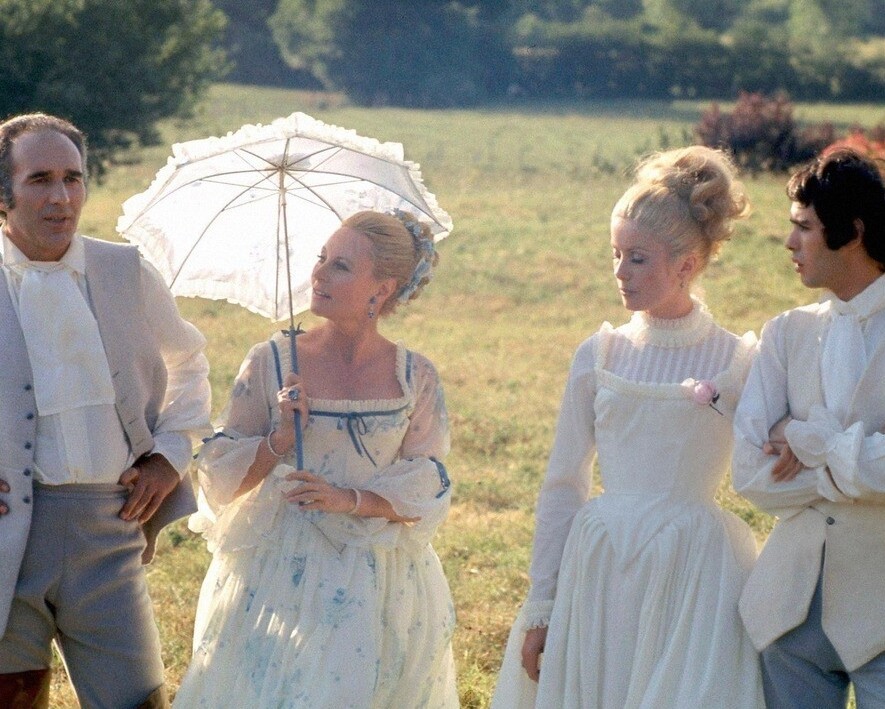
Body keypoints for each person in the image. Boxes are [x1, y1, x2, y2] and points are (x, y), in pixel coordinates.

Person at [492, 146, 764, 708]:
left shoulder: (738, 361)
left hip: (691, 568)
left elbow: (763, 463)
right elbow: (563, 483)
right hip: (602, 562)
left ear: (686, 264)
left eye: (637, 258)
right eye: (615, 254)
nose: (619, 272)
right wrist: (543, 604)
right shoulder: (600, 354)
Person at [173, 209, 458, 707]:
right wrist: (280, 438)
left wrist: (350, 499)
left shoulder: (415, 375)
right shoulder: (271, 360)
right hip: (277, 565)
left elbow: (427, 483)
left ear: (382, 290)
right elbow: (217, 473)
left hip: (375, 572)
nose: (319, 274)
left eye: (340, 266)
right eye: (321, 258)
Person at [0, 113, 212, 708]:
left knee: (136, 701)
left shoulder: (125, 271)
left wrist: (169, 456)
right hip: (7, 534)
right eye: (40, 179)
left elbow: (188, 361)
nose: (61, 197)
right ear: (3, 194)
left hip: (109, 526)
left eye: (73, 178)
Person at [733, 148, 885, 708]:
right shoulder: (785, 333)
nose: (789, 243)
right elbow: (750, 473)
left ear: (854, 232)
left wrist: (809, 440)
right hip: (791, 618)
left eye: (804, 227)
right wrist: (848, 469)